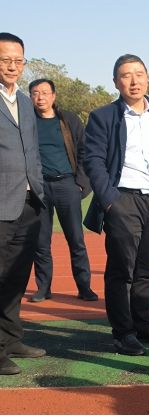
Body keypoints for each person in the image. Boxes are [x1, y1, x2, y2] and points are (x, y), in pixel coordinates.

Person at [84, 54, 149, 356]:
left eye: (139, 74)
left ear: (147, 77)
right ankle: (123, 333)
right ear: (116, 82)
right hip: (122, 199)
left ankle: (143, 325)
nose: (134, 81)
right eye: (126, 75)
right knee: (121, 271)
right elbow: (93, 160)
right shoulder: (103, 117)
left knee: (147, 269)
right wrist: (110, 201)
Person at [0, 32, 46, 376]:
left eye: (18, 60)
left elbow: (33, 149)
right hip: (1, 203)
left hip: (30, 201)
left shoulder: (27, 102)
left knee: (17, 276)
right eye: (5, 60)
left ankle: (12, 339)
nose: (12, 66)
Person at [28, 79, 97, 303]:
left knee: (76, 239)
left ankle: (84, 287)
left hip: (67, 185)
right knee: (41, 241)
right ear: (30, 97)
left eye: (45, 92)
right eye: (35, 93)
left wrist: (81, 184)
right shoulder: (27, 122)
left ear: (54, 96)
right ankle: (43, 288)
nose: (40, 97)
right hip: (39, 187)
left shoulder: (69, 120)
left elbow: (85, 151)